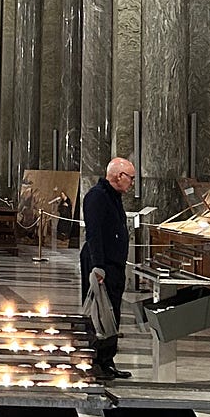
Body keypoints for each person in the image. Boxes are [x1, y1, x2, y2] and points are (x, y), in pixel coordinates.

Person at [81, 156, 136, 380]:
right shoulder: (97, 197)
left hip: (114, 266)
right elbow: (93, 234)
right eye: (130, 178)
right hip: (101, 266)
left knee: (112, 313)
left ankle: (107, 360)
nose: (132, 182)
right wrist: (98, 266)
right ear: (118, 176)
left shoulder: (114, 197)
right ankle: (95, 361)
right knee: (98, 313)